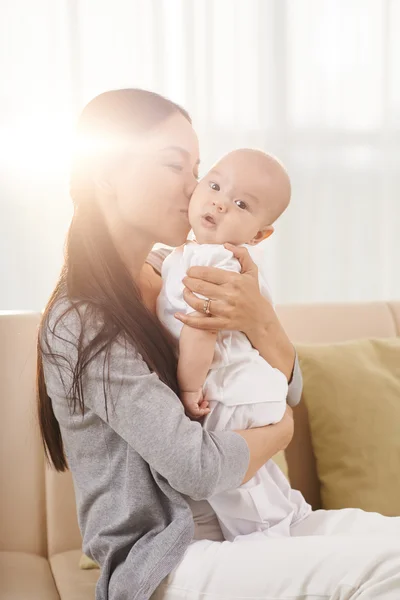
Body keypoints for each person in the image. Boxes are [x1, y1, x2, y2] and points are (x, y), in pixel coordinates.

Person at [37, 89, 400, 600]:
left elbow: (288, 387)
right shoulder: (78, 322)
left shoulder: (178, 269)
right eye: (175, 166)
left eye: (197, 169)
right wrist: (281, 434)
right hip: (169, 561)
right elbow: (197, 467)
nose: (195, 189)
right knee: (386, 568)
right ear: (108, 175)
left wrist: (262, 320)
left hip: (253, 523)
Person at [157, 148, 312, 541]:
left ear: (259, 234)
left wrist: (189, 387)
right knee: (261, 478)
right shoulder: (199, 256)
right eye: (214, 184)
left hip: (229, 394)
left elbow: (200, 327)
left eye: (241, 204)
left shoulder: (209, 262)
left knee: (241, 497)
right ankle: (294, 517)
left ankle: (270, 543)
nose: (220, 202)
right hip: (252, 389)